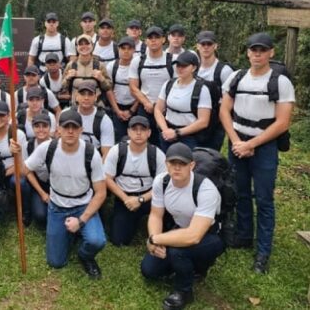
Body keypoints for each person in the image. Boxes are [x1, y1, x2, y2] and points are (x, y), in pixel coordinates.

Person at [219, 32, 295, 274]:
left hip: (264, 146)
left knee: (263, 198)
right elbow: (224, 111)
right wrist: (236, 141)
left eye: (262, 50)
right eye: (253, 50)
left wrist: (252, 144)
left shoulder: (279, 82)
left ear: (271, 52)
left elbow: (282, 122)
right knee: (239, 192)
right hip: (237, 141)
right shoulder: (236, 77)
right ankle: (243, 235)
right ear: (248, 52)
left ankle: (263, 251)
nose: (257, 54)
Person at [141, 142, 224, 310]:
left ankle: (184, 291)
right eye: (173, 163)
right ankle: (186, 266)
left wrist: (154, 238)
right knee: (149, 270)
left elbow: (194, 236)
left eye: (182, 164)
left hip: (210, 235)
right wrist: (155, 243)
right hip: (180, 228)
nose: (177, 168)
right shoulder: (161, 182)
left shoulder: (205, 189)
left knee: (178, 251)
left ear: (192, 165)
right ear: (166, 164)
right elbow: (156, 215)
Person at [25, 110, 107, 279]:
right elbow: (25, 170)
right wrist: (16, 152)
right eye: (66, 127)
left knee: (97, 241)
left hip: (83, 204)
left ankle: (85, 256)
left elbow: (100, 193)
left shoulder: (91, 154)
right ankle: (70, 234)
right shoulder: (47, 149)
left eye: (74, 127)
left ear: (81, 130)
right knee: (56, 262)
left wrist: (81, 220)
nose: (70, 131)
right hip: (57, 206)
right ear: (58, 130)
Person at [104, 116, 166, 246]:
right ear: (128, 132)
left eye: (143, 129)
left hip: (149, 197)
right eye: (134, 129)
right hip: (124, 197)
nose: (138, 133)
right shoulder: (117, 150)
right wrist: (126, 199)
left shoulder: (157, 154)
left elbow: (162, 184)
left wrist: (141, 200)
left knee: (166, 224)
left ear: (149, 133)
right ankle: (119, 216)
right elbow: (107, 178)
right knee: (119, 241)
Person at [154, 51, 211, 152]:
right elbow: (158, 109)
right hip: (167, 133)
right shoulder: (169, 84)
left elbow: (203, 121)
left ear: (193, 68)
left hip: (189, 137)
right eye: (178, 65)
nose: (180, 68)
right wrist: (165, 130)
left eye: (184, 66)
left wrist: (177, 133)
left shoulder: (202, 89)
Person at [129, 26, 175, 145]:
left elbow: (177, 85)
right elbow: (133, 87)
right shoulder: (138, 61)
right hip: (145, 109)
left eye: (157, 37)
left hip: (167, 110)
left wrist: (162, 105)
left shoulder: (173, 60)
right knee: (143, 143)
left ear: (163, 40)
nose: (153, 40)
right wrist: (146, 103)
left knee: (166, 142)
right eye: (150, 38)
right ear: (146, 41)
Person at [195, 30, 234, 150]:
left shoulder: (224, 70)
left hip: (216, 123)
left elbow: (230, 99)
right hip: (194, 120)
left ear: (215, 46)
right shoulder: (192, 68)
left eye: (209, 44)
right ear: (197, 46)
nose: (206, 47)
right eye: (203, 44)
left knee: (211, 158)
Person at [62, 34, 112, 108]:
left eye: (87, 43)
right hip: (76, 106)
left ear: (92, 46)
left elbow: (109, 87)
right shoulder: (71, 65)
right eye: (81, 44)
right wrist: (67, 78)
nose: (84, 46)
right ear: (76, 47)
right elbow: (63, 86)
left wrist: (102, 79)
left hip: (97, 106)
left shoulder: (99, 65)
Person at [69, 80, 115, 160]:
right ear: (76, 96)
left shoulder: (104, 120)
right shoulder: (67, 114)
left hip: (94, 160)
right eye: (82, 94)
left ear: (95, 97)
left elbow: (106, 154)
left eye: (90, 94)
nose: (86, 98)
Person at [107, 36, 139, 142]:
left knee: (136, 138)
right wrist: (117, 111)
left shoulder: (138, 66)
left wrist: (132, 110)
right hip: (117, 107)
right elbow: (109, 90)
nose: (126, 51)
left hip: (135, 107)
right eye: (123, 48)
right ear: (118, 49)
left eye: (129, 48)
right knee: (118, 140)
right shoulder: (112, 66)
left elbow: (142, 90)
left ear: (134, 50)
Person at [24, 113, 54, 227]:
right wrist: (42, 194)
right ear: (32, 128)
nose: (41, 129)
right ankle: (28, 207)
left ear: (50, 128)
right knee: (41, 216)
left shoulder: (56, 144)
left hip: (56, 184)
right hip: (39, 184)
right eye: (37, 126)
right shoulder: (28, 146)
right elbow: (27, 171)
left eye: (44, 126)